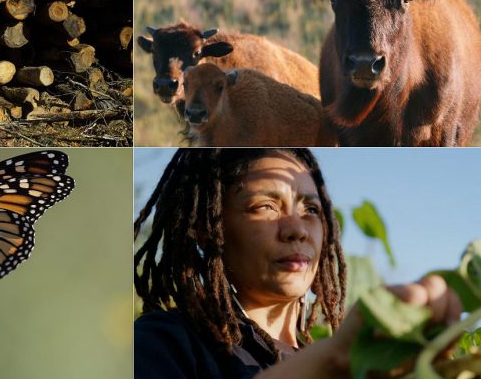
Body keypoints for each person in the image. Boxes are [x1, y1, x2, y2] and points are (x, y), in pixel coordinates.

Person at [134, 148, 462, 378]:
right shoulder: (163, 345)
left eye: (311, 210)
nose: (296, 230)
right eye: (265, 207)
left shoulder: (351, 360)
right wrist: (331, 362)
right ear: (207, 229)